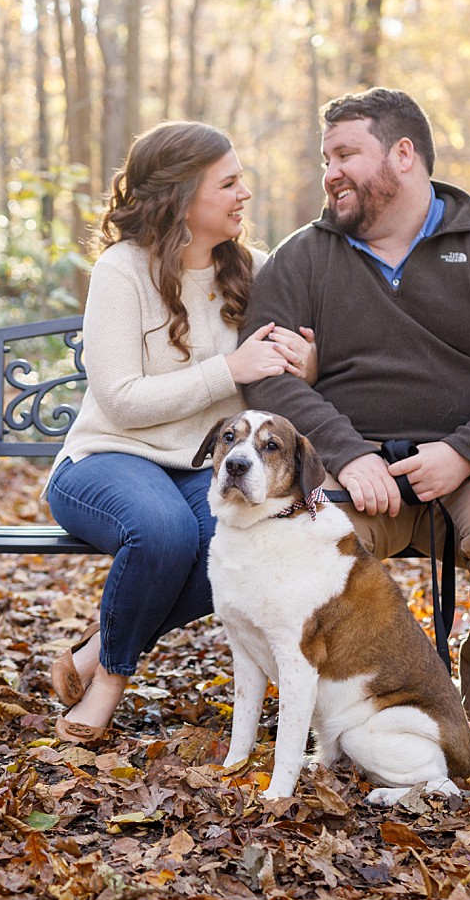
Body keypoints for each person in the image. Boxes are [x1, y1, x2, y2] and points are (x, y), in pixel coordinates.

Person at [239, 87, 470, 739]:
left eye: (346, 153)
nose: (330, 172)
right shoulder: (302, 259)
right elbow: (270, 384)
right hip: (356, 469)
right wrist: (345, 450)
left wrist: (466, 452)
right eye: (325, 157)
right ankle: (364, 717)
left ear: (403, 154)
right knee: (296, 533)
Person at [44, 119, 317, 743]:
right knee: (164, 533)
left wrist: (305, 362)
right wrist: (229, 368)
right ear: (182, 197)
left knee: (242, 535)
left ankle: (94, 649)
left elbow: (280, 379)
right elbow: (119, 399)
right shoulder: (122, 270)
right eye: (228, 183)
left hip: (201, 469)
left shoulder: (253, 269)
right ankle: (109, 680)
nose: (244, 193)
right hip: (106, 460)